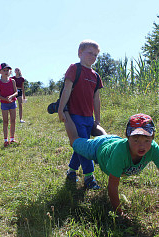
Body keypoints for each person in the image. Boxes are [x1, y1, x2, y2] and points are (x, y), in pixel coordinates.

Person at [63, 112, 159, 217]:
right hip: (98, 148)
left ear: (153, 138)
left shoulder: (153, 149)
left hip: (112, 141)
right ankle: (66, 112)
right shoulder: (120, 153)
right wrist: (119, 213)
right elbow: (112, 187)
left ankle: (90, 122)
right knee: (74, 141)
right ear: (128, 137)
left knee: (104, 135)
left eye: (147, 140)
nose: (141, 145)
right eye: (136, 140)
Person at [58, 39, 103, 189]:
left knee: (81, 146)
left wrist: (97, 118)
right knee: (84, 146)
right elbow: (67, 89)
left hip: (88, 118)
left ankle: (71, 172)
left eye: (96, 55)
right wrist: (61, 109)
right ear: (80, 53)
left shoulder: (96, 76)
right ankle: (89, 177)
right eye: (90, 53)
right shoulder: (74, 69)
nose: (93, 57)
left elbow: (96, 98)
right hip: (75, 116)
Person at [0, 63, 18, 147]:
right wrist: (5, 99)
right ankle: (5, 140)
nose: (6, 72)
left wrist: (11, 96)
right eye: (4, 70)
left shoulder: (12, 81)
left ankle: (12, 139)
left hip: (12, 103)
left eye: (8, 70)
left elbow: (16, 92)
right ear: (0, 72)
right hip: (4, 104)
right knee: (5, 121)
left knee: (13, 121)